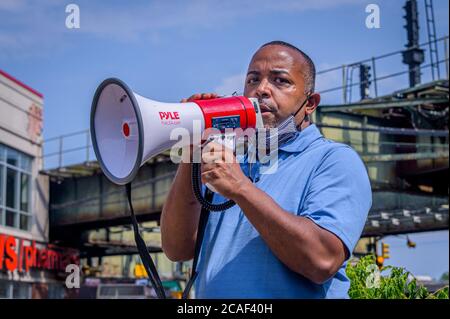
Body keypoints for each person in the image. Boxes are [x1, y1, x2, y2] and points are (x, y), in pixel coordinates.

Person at [161, 40, 372, 298]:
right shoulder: (234, 158)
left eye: (280, 81)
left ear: (310, 103)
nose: (261, 89)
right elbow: (177, 248)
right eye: (252, 80)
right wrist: (192, 153)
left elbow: (322, 261)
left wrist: (240, 188)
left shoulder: (333, 160)